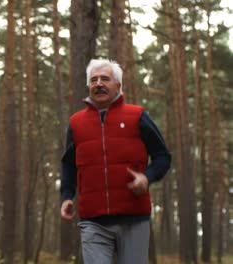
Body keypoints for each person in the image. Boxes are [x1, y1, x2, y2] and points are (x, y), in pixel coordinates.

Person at [60, 58, 171, 264]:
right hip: (93, 220)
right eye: (93, 80)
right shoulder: (76, 123)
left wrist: (147, 178)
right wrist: (67, 195)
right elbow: (68, 163)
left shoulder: (137, 116)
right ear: (88, 86)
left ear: (118, 86)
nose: (99, 84)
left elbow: (163, 156)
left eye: (105, 79)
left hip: (134, 218)